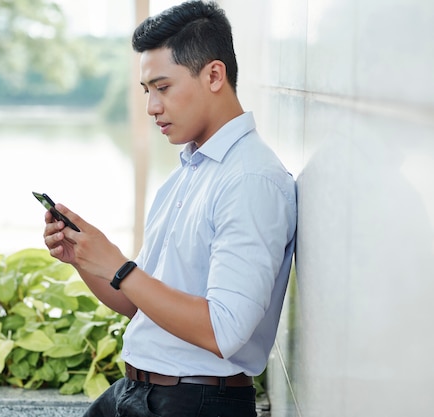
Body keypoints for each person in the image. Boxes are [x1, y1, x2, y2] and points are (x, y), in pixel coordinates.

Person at [41, 1, 297, 416]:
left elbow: (224, 329)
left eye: (163, 88)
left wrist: (120, 268)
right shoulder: (189, 173)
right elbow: (138, 302)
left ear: (214, 75)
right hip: (136, 394)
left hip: (195, 402)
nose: (152, 108)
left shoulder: (251, 180)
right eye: (147, 91)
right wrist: (86, 258)